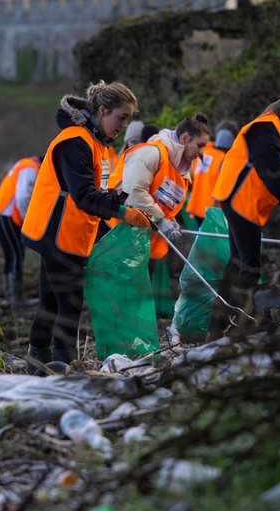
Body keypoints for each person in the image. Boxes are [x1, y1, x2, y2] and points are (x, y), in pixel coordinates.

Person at [22, 80, 150, 369]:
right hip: (57, 233)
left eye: (127, 119)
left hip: (67, 233)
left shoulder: (95, 143)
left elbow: (92, 189)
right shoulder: (75, 141)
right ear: (103, 110)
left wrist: (114, 199)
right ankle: (61, 365)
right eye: (121, 117)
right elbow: (82, 196)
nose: (122, 125)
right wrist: (121, 212)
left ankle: (37, 362)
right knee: (68, 303)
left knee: (51, 302)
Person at [208, 86, 280, 340]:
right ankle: (236, 326)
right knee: (248, 266)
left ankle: (218, 329)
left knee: (239, 265)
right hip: (239, 198)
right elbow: (275, 175)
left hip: (248, 203)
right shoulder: (265, 128)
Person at [109, 114, 211, 265]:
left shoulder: (181, 171)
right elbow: (134, 192)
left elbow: (161, 199)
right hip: (119, 235)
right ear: (184, 138)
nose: (201, 152)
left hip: (142, 240)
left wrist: (170, 220)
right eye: (199, 145)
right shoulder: (152, 152)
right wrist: (161, 220)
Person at [0, 154, 42, 307]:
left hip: (3, 213)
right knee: (16, 254)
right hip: (6, 214)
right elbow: (23, 197)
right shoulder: (30, 167)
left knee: (13, 255)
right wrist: (27, 221)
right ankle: (14, 297)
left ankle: (11, 296)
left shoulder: (25, 164)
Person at [185, 120, 238, 226]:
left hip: (196, 208)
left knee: (200, 241)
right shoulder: (225, 160)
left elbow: (190, 177)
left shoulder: (203, 152)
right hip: (213, 213)